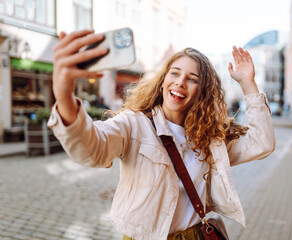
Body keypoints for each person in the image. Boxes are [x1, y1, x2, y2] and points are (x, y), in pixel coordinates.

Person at [48, 29, 275, 240]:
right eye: (174, 73)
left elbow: (262, 143)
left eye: (192, 79)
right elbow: (92, 149)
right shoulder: (134, 124)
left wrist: (248, 84)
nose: (180, 82)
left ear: (203, 91)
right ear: (163, 79)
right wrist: (64, 97)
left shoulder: (211, 138)